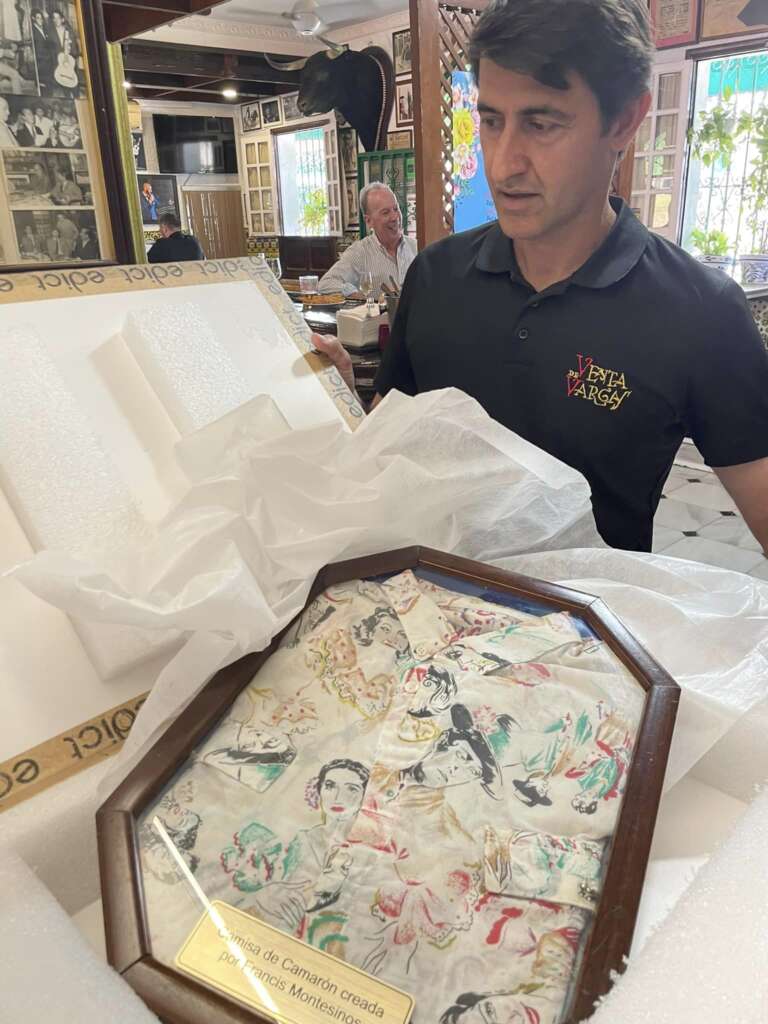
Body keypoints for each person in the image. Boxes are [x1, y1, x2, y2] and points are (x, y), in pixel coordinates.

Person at [314, 0, 768, 555]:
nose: (504, 164)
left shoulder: (701, 312)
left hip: (591, 609)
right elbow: (388, 455)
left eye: (541, 123)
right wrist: (337, 402)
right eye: (491, 121)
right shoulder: (434, 278)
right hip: (425, 603)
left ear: (624, 120)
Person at [317, 182, 416, 297]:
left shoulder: (417, 247)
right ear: (368, 221)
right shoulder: (359, 253)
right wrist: (356, 295)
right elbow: (325, 284)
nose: (395, 217)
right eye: (385, 212)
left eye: (396, 209)